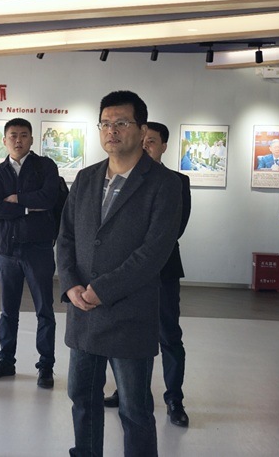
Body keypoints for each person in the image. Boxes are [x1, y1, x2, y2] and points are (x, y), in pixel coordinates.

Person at [57, 91, 182, 457]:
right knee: (82, 398)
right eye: (106, 123)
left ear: (142, 130)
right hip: (83, 312)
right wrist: (71, 284)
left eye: (122, 123)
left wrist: (102, 289)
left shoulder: (163, 184)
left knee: (134, 408)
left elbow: (153, 253)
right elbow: (66, 237)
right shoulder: (86, 178)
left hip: (129, 314)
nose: (112, 130)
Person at [103, 121, 193, 428]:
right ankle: (126, 390)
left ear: (164, 146)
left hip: (162, 271)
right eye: (142, 141)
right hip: (124, 273)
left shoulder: (177, 182)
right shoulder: (121, 181)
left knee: (168, 336)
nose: (145, 147)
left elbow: (173, 230)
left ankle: (174, 399)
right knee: (125, 334)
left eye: (152, 142)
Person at [0, 117, 58, 388]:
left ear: (31, 139)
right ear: (5, 140)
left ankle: (46, 365)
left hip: (38, 249)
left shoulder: (45, 166)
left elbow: (50, 198)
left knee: (44, 310)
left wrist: (16, 199)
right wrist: (28, 206)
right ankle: (6, 361)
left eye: (24, 135)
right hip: (7, 250)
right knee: (8, 311)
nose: (18, 140)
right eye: (13, 135)